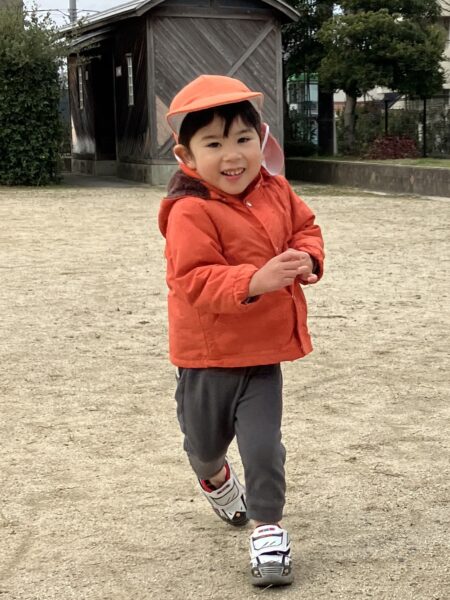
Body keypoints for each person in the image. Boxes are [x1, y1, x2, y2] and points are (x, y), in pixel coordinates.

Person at [158, 74, 324, 587]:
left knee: (263, 447)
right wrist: (254, 280)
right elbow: (192, 279)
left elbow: (306, 228)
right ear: (186, 155)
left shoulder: (277, 190)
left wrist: (308, 258)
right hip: (207, 357)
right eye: (214, 144)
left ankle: (268, 528)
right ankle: (214, 477)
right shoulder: (190, 210)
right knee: (204, 447)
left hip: (261, 353)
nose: (232, 156)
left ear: (262, 140)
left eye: (243, 139)